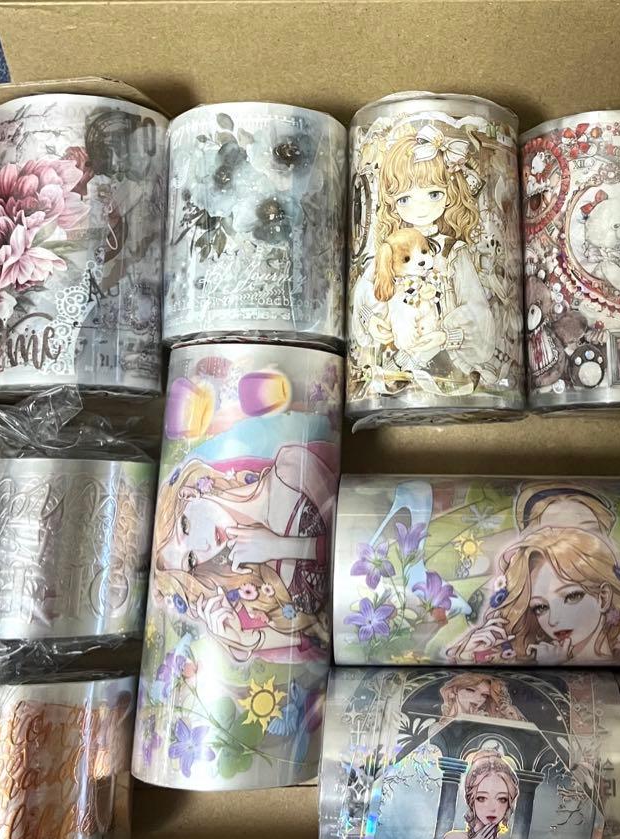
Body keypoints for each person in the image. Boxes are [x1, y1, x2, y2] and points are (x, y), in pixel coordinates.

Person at [151, 443, 337, 663]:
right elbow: (318, 639)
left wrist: (278, 547)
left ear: (189, 495)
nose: (204, 546)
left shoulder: (290, 468)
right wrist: (242, 639)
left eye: (185, 526)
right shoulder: (254, 581)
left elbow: (346, 532)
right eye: (191, 559)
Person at [351, 124, 497, 393]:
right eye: (405, 199)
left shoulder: (454, 252)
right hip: (396, 358)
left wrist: (445, 336)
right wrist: (372, 320)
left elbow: (479, 312)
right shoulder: (392, 247)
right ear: (392, 202)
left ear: (450, 194)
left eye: (433, 194)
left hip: (446, 364)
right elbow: (364, 291)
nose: (420, 208)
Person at [450, 527, 620, 664]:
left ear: (603, 597)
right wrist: (465, 655)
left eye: (571, 596)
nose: (553, 620)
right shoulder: (532, 657)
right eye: (540, 607)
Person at [437, 752, 520, 839]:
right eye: (482, 798)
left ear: (509, 803)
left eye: (501, 799)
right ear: (472, 800)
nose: (492, 808)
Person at [438, 673, 522, 722]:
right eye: (470, 690)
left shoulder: (486, 720)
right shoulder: (437, 727)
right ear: (456, 690)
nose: (478, 698)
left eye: (484, 695)